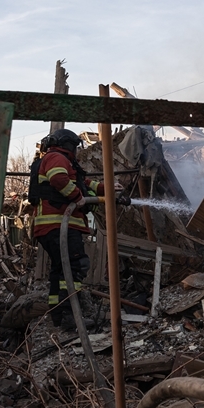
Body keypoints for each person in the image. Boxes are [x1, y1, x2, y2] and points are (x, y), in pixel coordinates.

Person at [29, 129, 117, 330]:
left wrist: (108, 188)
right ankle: (70, 316)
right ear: (68, 144)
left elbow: (83, 183)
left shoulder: (57, 160)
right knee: (77, 265)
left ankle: (58, 315)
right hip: (60, 224)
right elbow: (59, 180)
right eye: (75, 147)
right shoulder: (57, 158)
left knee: (60, 269)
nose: (76, 151)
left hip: (50, 227)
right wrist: (79, 199)